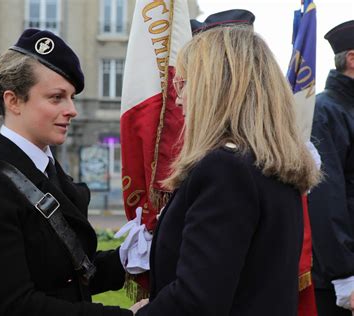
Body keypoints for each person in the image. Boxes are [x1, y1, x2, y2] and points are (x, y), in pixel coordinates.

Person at [132, 10, 321, 316]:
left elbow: (196, 300)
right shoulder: (272, 165)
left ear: (216, 90)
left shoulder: (225, 170)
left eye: (185, 84)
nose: (179, 100)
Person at [0, 29, 134, 316]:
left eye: (72, 97)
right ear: (13, 101)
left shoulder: (45, 167)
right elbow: (14, 306)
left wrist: (135, 255)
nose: (72, 110)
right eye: (56, 98)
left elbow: (73, 273)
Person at [308, 20, 354, 315]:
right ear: (352, 58)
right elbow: (327, 198)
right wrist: (345, 276)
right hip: (344, 277)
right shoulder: (324, 111)